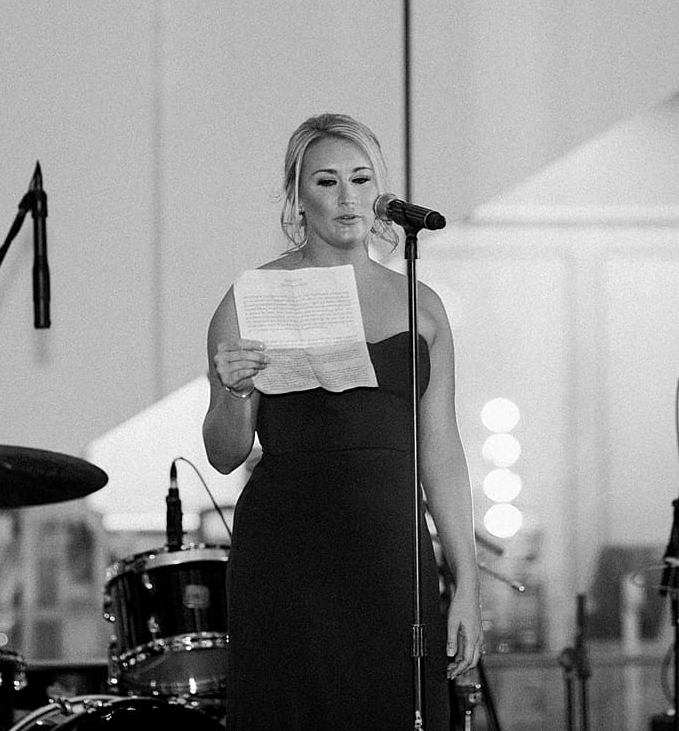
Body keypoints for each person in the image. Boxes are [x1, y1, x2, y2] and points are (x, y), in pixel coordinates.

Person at [202, 113, 482, 729]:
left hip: (391, 550)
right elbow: (224, 452)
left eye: (360, 179)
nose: (348, 196)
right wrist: (234, 390)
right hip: (288, 552)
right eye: (327, 182)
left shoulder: (420, 302)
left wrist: (467, 583)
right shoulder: (253, 296)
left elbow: (442, 449)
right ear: (297, 198)